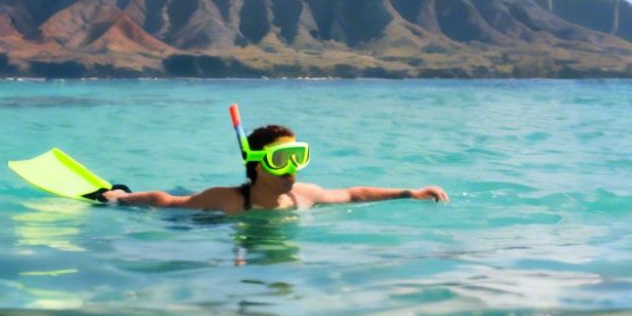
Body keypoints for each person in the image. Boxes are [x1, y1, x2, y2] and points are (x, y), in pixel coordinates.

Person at [101, 124, 447, 212]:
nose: (291, 169)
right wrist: (118, 199)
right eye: (281, 159)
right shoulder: (228, 200)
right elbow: (166, 202)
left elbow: (354, 194)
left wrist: (408, 192)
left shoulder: (304, 196)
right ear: (257, 164)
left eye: (298, 157)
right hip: (202, 224)